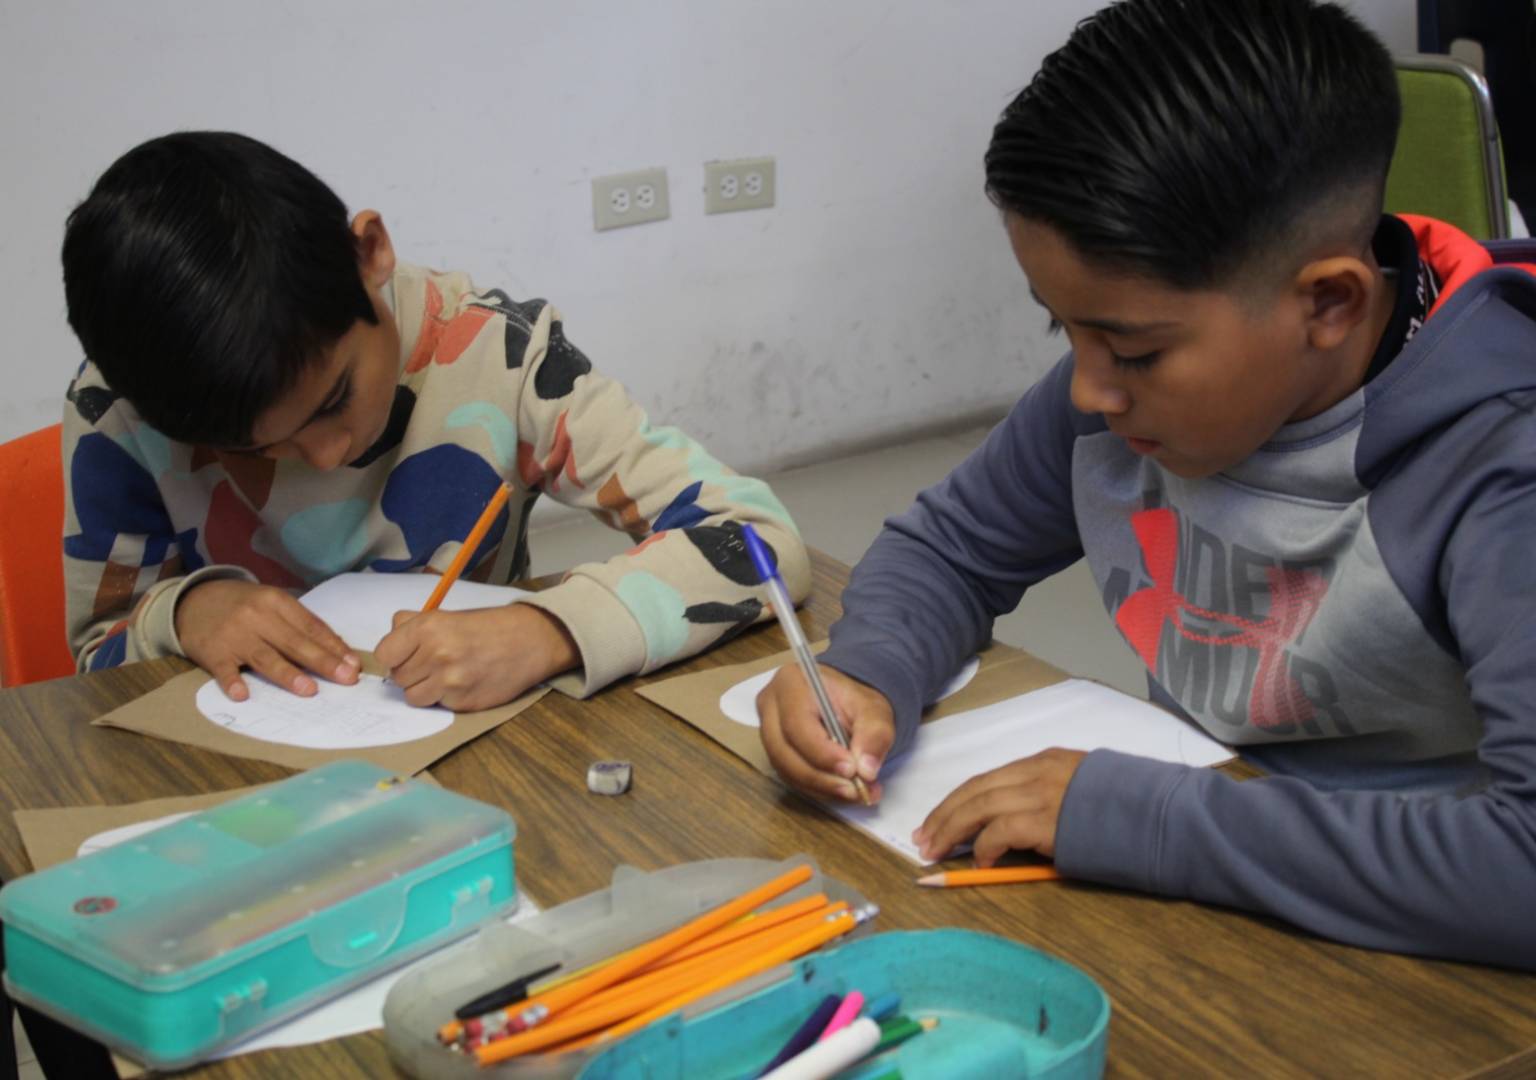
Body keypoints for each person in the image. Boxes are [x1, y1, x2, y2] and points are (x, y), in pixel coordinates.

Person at [758, 0, 1536, 968]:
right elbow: (949, 550)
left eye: (1132, 346)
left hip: (1428, 968)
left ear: (1328, 301)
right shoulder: (1119, 395)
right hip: (1205, 912)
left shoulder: (1500, 464)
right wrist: (867, 667)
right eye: (1063, 328)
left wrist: (1155, 821)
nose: (1088, 389)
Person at [61, 131, 808, 711]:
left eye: (333, 399)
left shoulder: (504, 358)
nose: (325, 456)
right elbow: (98, 653)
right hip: (250, 808)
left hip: (483, 755)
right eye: (251, 449)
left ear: (370, 253)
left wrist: (554, 629)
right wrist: (185, 611)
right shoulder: (121, 415)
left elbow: (756, 538)